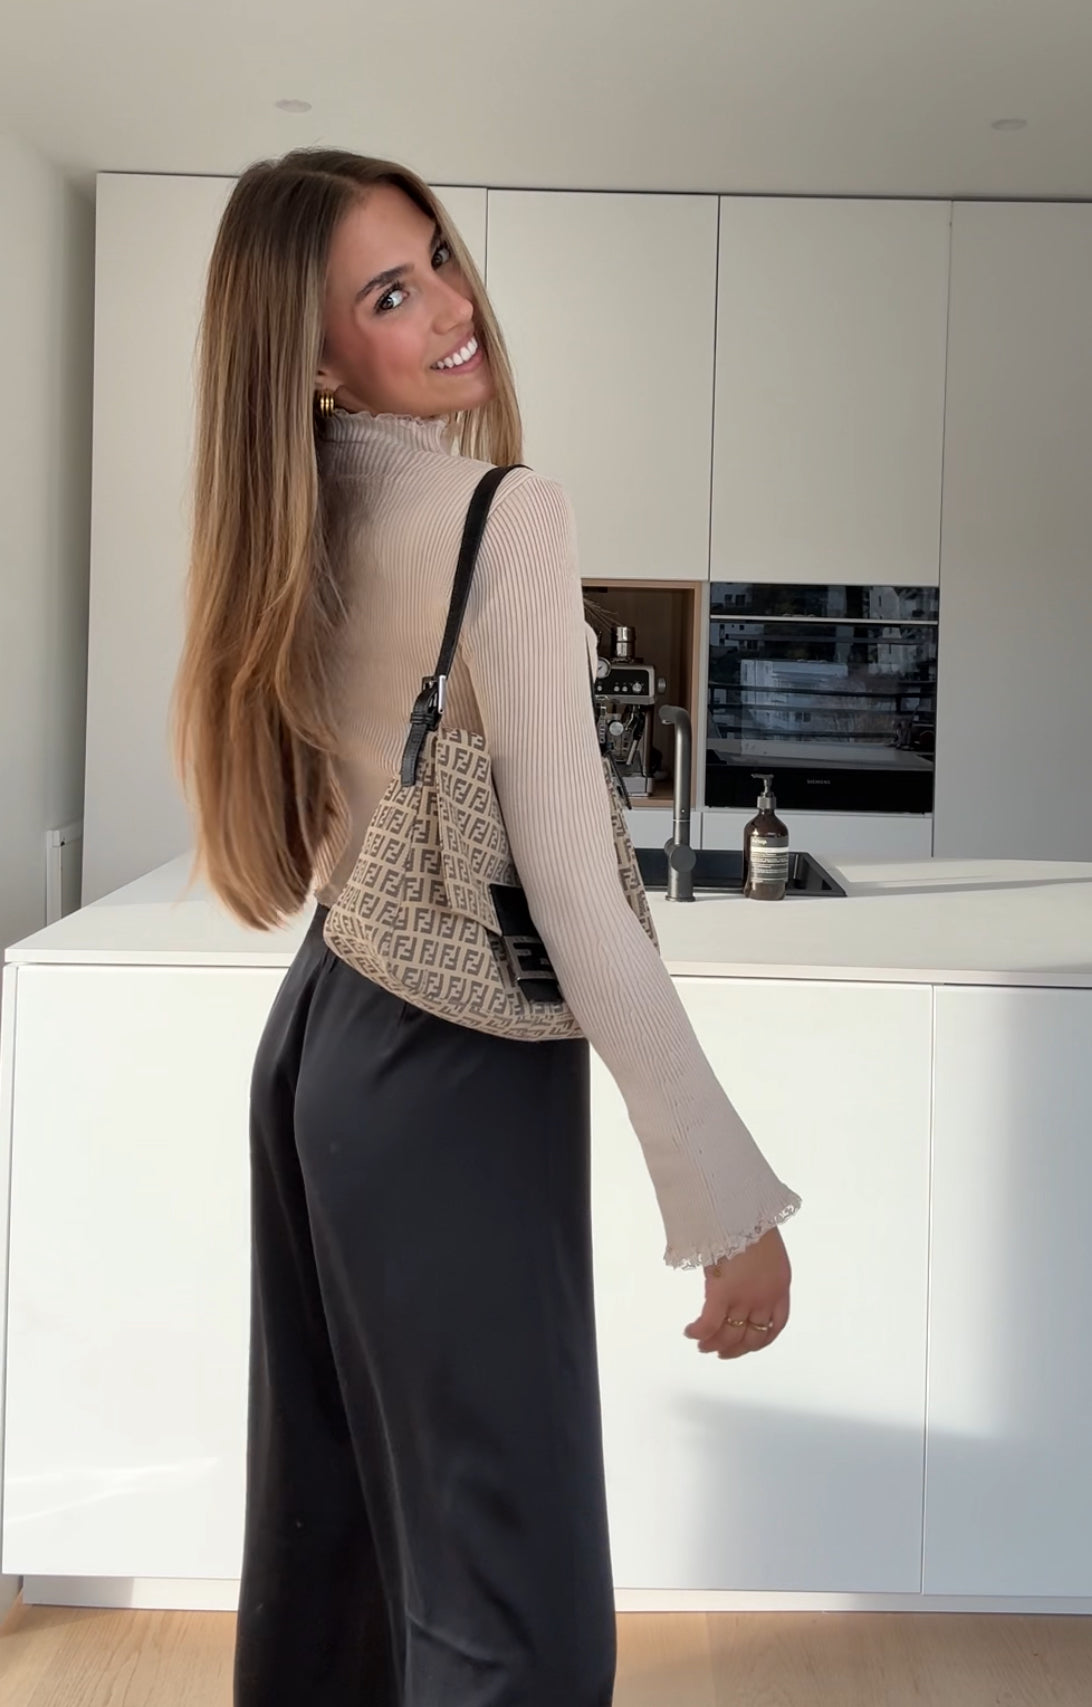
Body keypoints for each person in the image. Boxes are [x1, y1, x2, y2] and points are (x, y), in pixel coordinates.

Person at [172, 147, 802, 1707]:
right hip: (455, 1071)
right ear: (318, 360)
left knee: (347, 1562)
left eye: (439, 259)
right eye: (392, 295)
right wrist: (724, 1201)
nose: (455, 308)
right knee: (509, 1599)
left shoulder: (287, 517)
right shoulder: (501, 514)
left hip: (322, 1038)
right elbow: (575, 891)